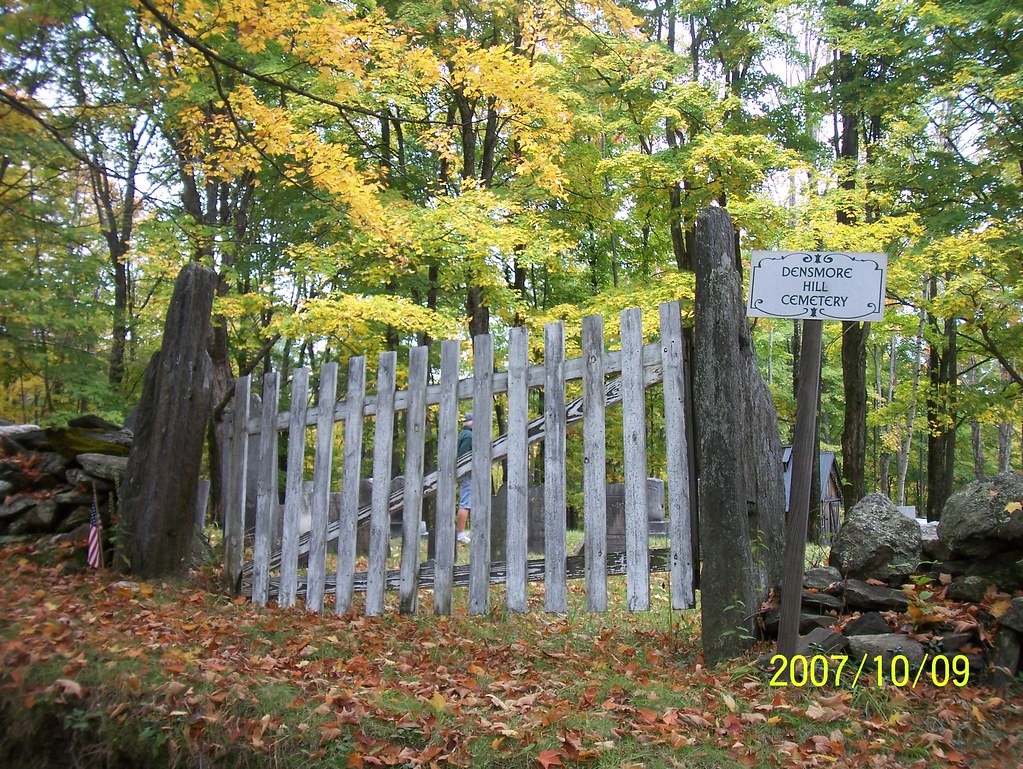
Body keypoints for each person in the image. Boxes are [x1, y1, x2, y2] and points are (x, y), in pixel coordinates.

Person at [456, 412, 472, 544]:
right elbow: (465, 458)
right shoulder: (468, 436)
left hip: (464, 474)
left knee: (467, 502)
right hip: (466, 474)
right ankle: (460, 533)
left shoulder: (464, 434)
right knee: (465, 503)